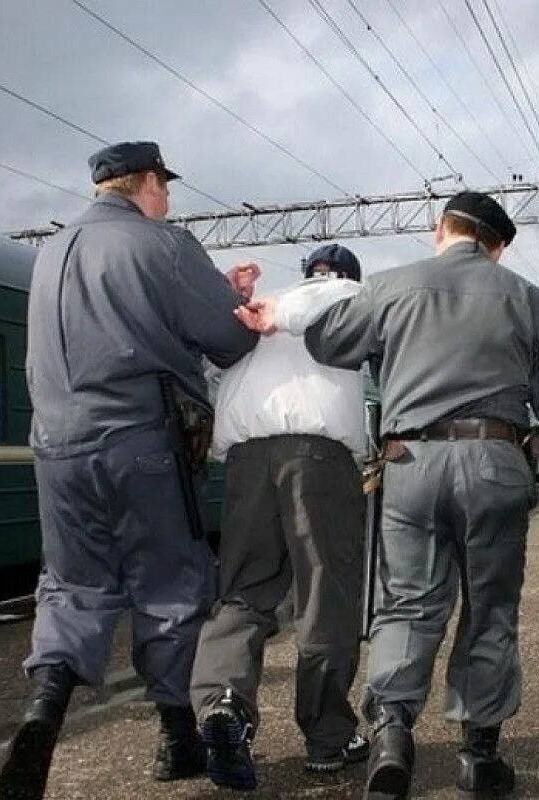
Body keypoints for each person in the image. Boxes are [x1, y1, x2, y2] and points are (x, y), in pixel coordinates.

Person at [239, 192, 539, 799]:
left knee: (407, 604)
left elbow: (331, 341)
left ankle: (391, 736)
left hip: (410, 462)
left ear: (441, 230)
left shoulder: (391, 287)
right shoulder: (529, 300)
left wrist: (287, 311)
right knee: (489, 609)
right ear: (498, 247)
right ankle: (478, 759)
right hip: (496, 462)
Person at [0, 142, 259, 800]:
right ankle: (177, 741)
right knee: (170, 585)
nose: (168, 200)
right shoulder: (163, 244)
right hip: (141, 442)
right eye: (165, 187)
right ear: (146, 183)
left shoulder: (49, 254)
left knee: (70, 585)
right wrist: (231, 301)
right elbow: (230, 341)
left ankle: (43, 711)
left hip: (56, 447)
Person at [189, 244, 371, 791]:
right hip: (317, 459)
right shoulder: (344, 296)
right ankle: (328, 738)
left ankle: (224, 703)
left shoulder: (254, 311)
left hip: (247, 461)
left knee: (243, 588)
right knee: (324, 592)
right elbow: (339, 291)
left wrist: (237, 300)